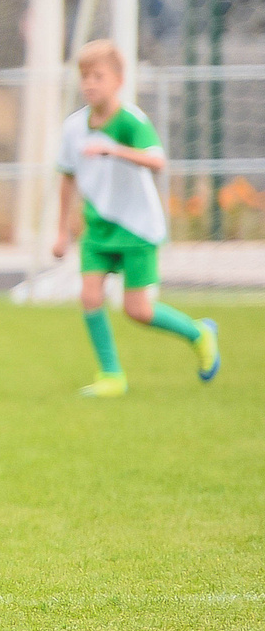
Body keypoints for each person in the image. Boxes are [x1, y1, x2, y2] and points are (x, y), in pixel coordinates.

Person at [53, 39, 221, 395]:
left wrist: (114, 150)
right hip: (98, 227)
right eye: (85, 77)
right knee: (90, 297)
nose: (90, 84)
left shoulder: (131, 121)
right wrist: (61, 231)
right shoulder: (73, 128)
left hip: (137, 227)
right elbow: (67, 178)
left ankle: (199, 333)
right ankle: (111, 375)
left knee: (138, 310)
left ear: (119, 80)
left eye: (98, 76)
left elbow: (157, 161)